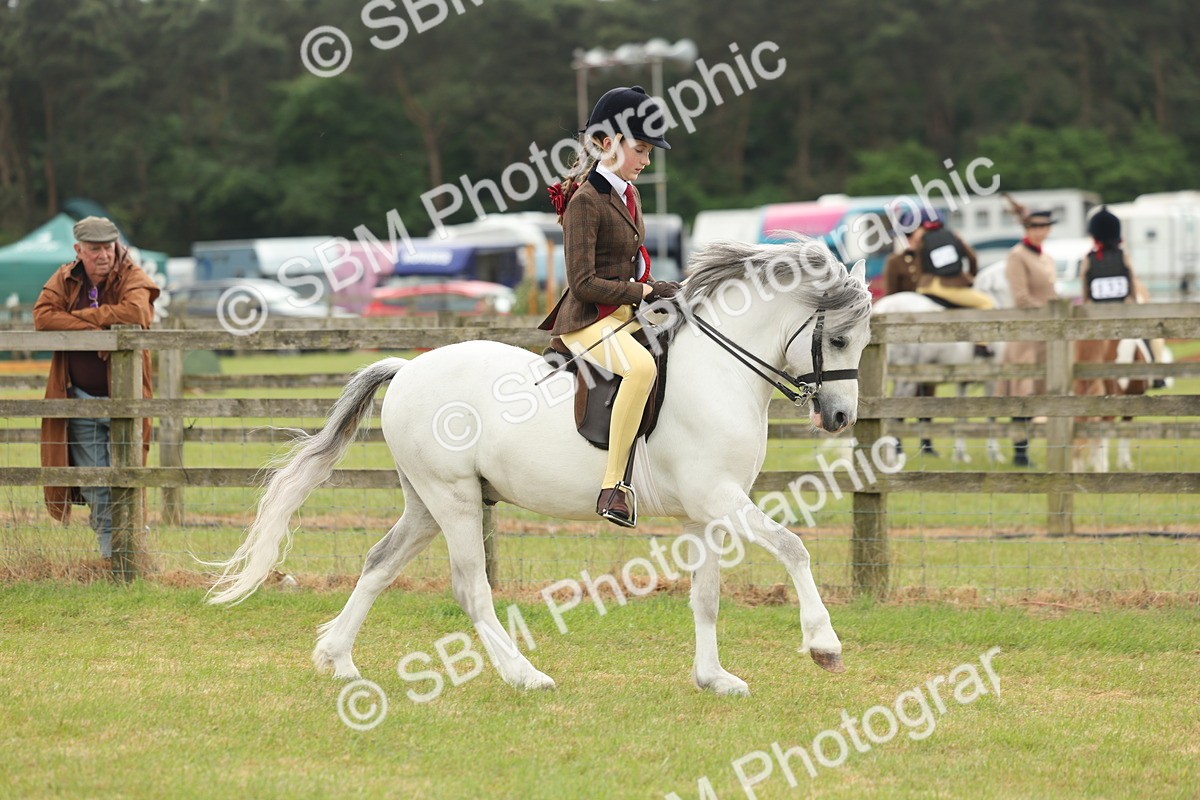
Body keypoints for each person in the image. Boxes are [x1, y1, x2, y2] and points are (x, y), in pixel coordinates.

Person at [539, 85, 679, 527]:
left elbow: (627, 268)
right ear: (608, 142)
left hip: (622, 314)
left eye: (648, 151)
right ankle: (613, 485)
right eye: (640, 149)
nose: (646, 160)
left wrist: (662, 287)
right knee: (641, 369)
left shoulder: (629, 195)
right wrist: (641, 293)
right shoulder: (585, 202)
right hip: (587, 320)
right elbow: (583, 284)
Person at [34, 216, 159, 559]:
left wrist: (83, 320)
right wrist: (98, 333)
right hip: (80, 399)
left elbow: (136, 312)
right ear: (79, 250)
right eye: (94, 249)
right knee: (95, 482)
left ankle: (133, 551)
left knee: (128, 479)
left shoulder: (131, 274)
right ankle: (110, 556)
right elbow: (43, 316)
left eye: (108, 247)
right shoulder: (65, 277)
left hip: (128, 400)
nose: (103, 255)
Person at [1001, 209, 1058, 467]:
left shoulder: (1046, 257)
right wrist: (1051, 312)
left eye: (1044, 226)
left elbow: (1051, 293)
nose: (1040, 231)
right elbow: (1021, 297)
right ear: (1027, 229)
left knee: (1042, 393)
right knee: (1022, 394)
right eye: (1035, 227)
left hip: (1046, 335)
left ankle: (1034, 447)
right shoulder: (1017, 256)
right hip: (1026, 336)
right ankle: (1020, 451)